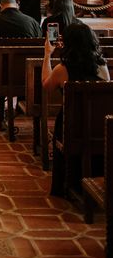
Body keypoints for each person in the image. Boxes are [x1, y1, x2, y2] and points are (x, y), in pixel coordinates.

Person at [42, 21, 109, 197]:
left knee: (61, 119)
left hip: (71, 125)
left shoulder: (62, 69)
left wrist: (47, 55)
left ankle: (67, 182)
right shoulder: (102, 66)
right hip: (97, 126)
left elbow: (46, 86)